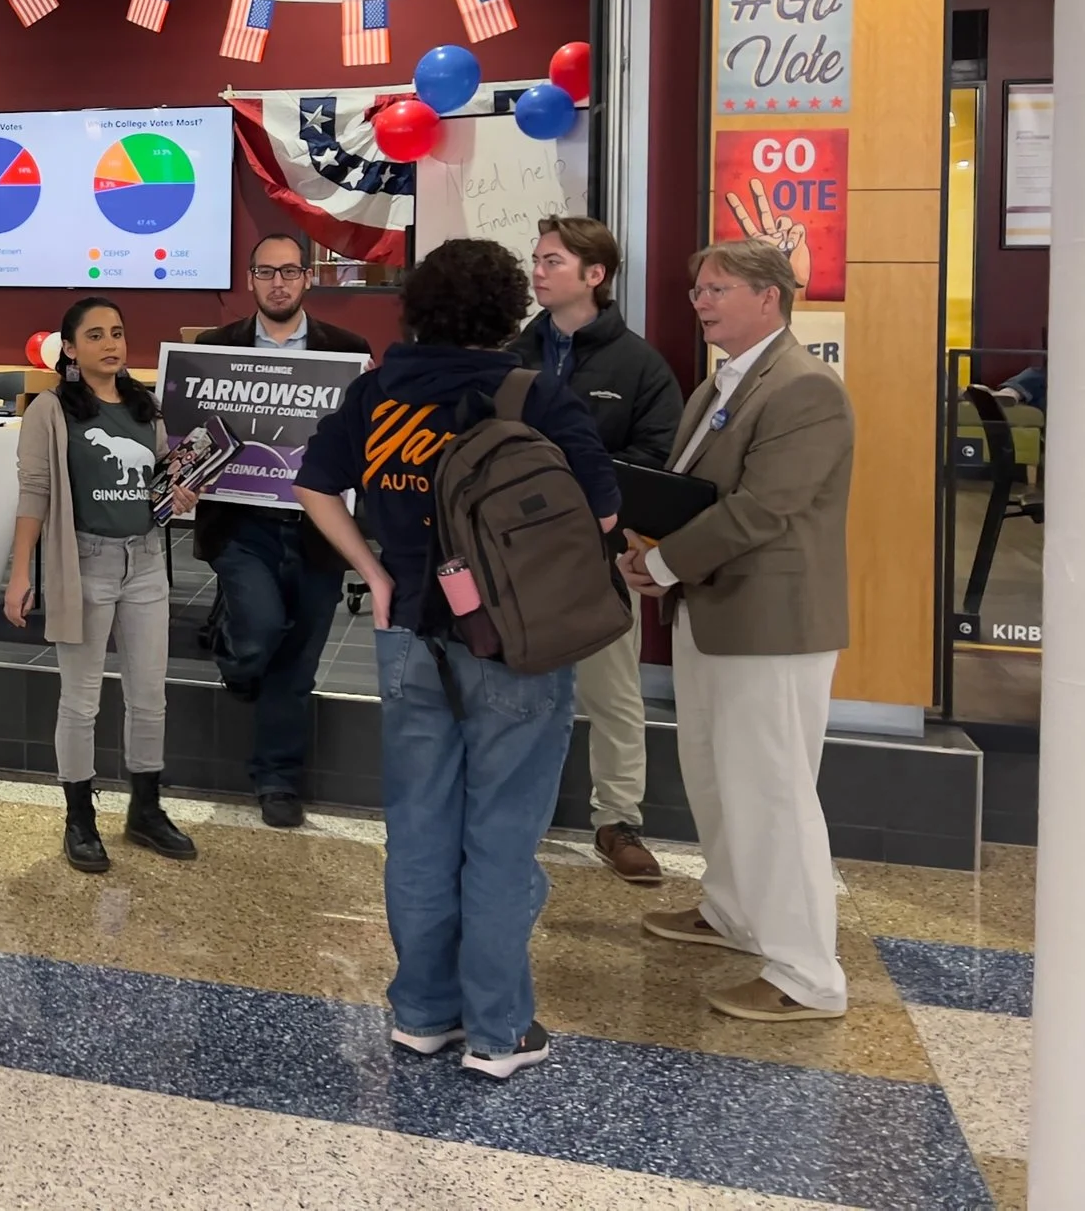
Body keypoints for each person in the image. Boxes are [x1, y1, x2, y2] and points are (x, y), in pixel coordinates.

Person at [295, 238, 619, 1081]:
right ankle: (498, 1029)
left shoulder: (377, 391)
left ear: (419, 307)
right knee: (502, 835)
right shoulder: (531, 395)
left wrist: (375, 572)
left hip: (407, 633)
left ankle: (422, 1013)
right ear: (506, 311)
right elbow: (602, 514)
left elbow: (314, 484)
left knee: (419, 828)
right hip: (514, 641)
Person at [618, 237, 855, 1026]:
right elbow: (692, 492)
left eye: (716, 288)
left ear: (769, 295)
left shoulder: (805, 388)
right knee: (717, 775)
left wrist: (665, 563)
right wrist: (651, 548)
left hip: (770, 624)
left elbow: (763, 509)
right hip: (712, 609)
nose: (700, 301)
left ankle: (807, 973)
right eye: (698, 289)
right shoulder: (720, 382)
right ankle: (733, 910)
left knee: (773, 792)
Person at [513, 215, 685, 886]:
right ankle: (512, 814)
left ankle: (617, 821)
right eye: (536, 259)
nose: (538, 271)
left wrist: (578, 494)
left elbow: (656, 455)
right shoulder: (513, 354)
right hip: (517, 555)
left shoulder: (639, 365)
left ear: (595, 275)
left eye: (552, 261)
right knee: (517, 687)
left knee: (613, 692)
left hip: (601, 554)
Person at [4, 297, 199, 873]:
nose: (110, 344)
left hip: (146, 563)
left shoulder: (145, 406)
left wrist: (178, 494)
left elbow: (159, 479)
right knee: (81, 699)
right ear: (69, 348)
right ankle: (79, 819)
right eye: (95, 335)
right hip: (85, 564)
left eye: (117, 333)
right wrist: (21, 572)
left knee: (150, 695)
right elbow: (34, 492)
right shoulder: (50, 410)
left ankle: (146, 809)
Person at [190, 232, 372, 828]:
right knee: (261, 630)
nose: (278, 283)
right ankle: (236, 657)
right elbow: (192, 437)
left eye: (289, 271)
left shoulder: (348, 352)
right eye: (266, 272)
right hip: (242, 524)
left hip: (319, 529)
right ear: (250, 279)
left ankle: (277, 781)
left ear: (307, 278)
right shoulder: (214, 349)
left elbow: (363, 444)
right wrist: (182, 477)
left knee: (297, 665)